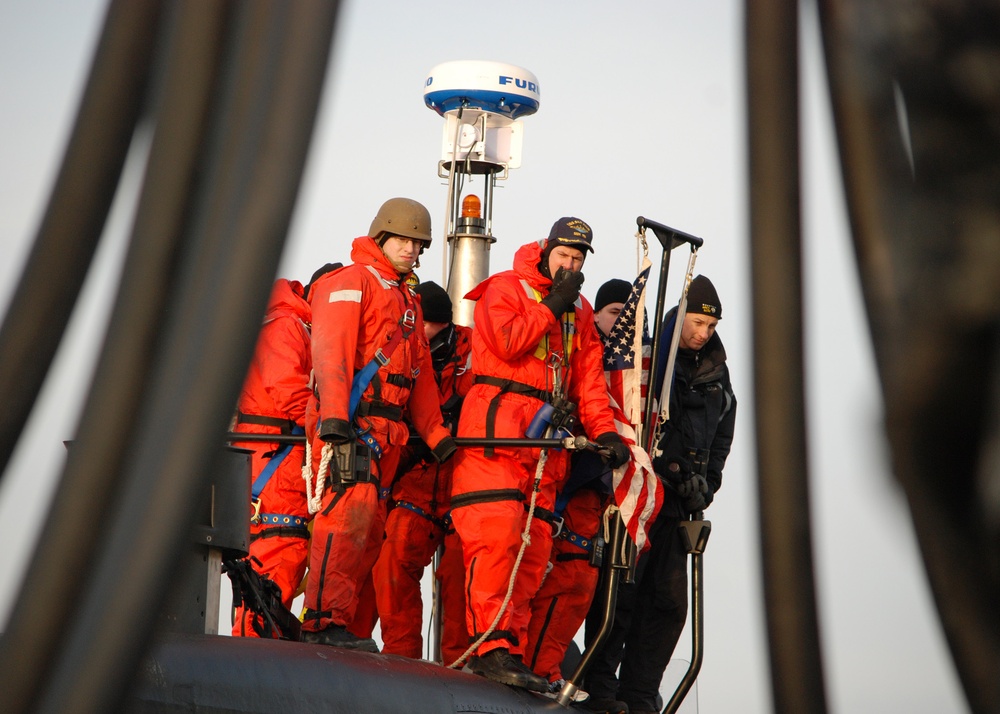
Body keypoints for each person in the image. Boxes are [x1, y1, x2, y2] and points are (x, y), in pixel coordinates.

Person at [450, 217, 631, 692]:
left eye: (578, 259)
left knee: (532, 551)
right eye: (564, 256)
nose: (570, 265)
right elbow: (508, 343)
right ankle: (489, 646)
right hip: (498, 436)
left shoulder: (581, 313)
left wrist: (606, 433)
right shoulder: (505, 289)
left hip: (547, 446)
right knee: (499, 538)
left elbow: (589, 382)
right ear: (546, 250)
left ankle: (512, 650)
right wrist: (553, 304)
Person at [299, 198, 457, 651]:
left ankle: (339, 622)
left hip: (388, 434)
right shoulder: (349, 282)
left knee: (368, 534)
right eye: (404, 239)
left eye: (418, 242)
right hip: (352, 423)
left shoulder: (407, 299)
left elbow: (421, 375)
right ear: (382, 236)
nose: (411, 249)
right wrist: (333, 417)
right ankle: (321, 622)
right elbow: (332, 352)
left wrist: (436, 435)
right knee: (344, 522)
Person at [582, 274, 737, 714]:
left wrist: (706, 484)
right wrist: (668, 467)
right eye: (697, 324)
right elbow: (630, 416)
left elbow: (721, 438)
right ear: (679, 319)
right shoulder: (646, 364)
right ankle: (600, 687)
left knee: (667, 604)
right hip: (640, 498)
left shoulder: (718, 378)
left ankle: (640, 694)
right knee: (621, 592)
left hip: (681, 508)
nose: (703, 334)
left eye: (710, 327)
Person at [524, 278, 637, 688]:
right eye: (613, 314)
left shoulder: (636, 372)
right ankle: (519, 661)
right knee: (540, 577)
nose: (623, 323)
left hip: (597, 493)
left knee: (580, 586)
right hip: (561, 479)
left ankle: (545, 669)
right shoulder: (576, 348)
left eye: (631, 317)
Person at [229, 264, 339, 638]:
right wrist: (333, 418)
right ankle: (252, 656)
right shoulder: (288, 326)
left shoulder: (290, 323)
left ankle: (260, 646)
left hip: (275, 458)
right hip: (275, 462)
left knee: (280, 560)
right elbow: (286, 389)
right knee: (276, 556)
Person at [371, 281, 474, 662]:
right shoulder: (399, 351)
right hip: (414, 481)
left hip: (464, 479)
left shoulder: (475, 355)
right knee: (392, 559)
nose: (421, 332)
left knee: (459, 573)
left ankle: (459, 667)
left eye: (427, 325)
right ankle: (402, 661)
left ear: (443, 325)